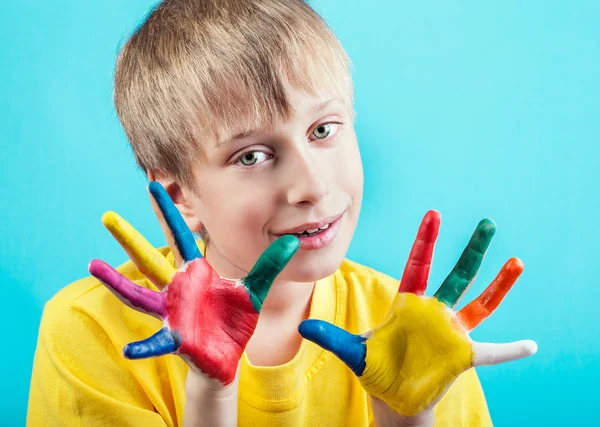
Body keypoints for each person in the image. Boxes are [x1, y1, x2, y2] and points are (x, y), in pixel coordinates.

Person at [27, 1, 537, 426]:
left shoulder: (415, 333)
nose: (312, 186)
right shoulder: (90, 331)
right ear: (180, 197)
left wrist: (408, 417)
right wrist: (210, 395)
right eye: (252, 156)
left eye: (323, 130)